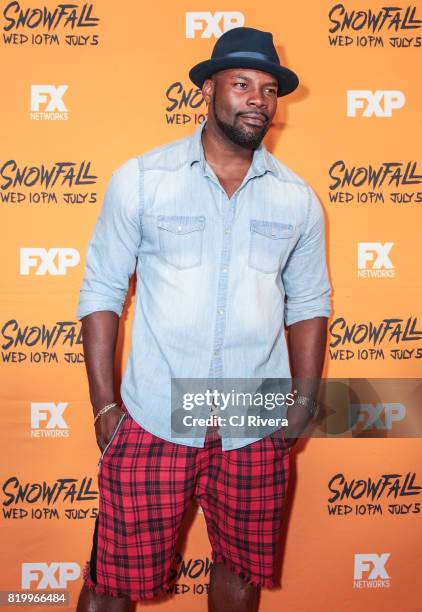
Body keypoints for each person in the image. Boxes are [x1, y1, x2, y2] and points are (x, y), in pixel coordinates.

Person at [75, 26, 332, 612]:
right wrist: (104, 406)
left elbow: (310, 301)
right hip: (152, 410)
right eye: (242, 84)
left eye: (269, 89)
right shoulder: (142, 180)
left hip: (255, 418)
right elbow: (102, 291)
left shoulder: (297, 199)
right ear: (209, 88)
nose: (257, 100)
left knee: (239, 573)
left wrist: (305, 399)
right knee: (113, 580)